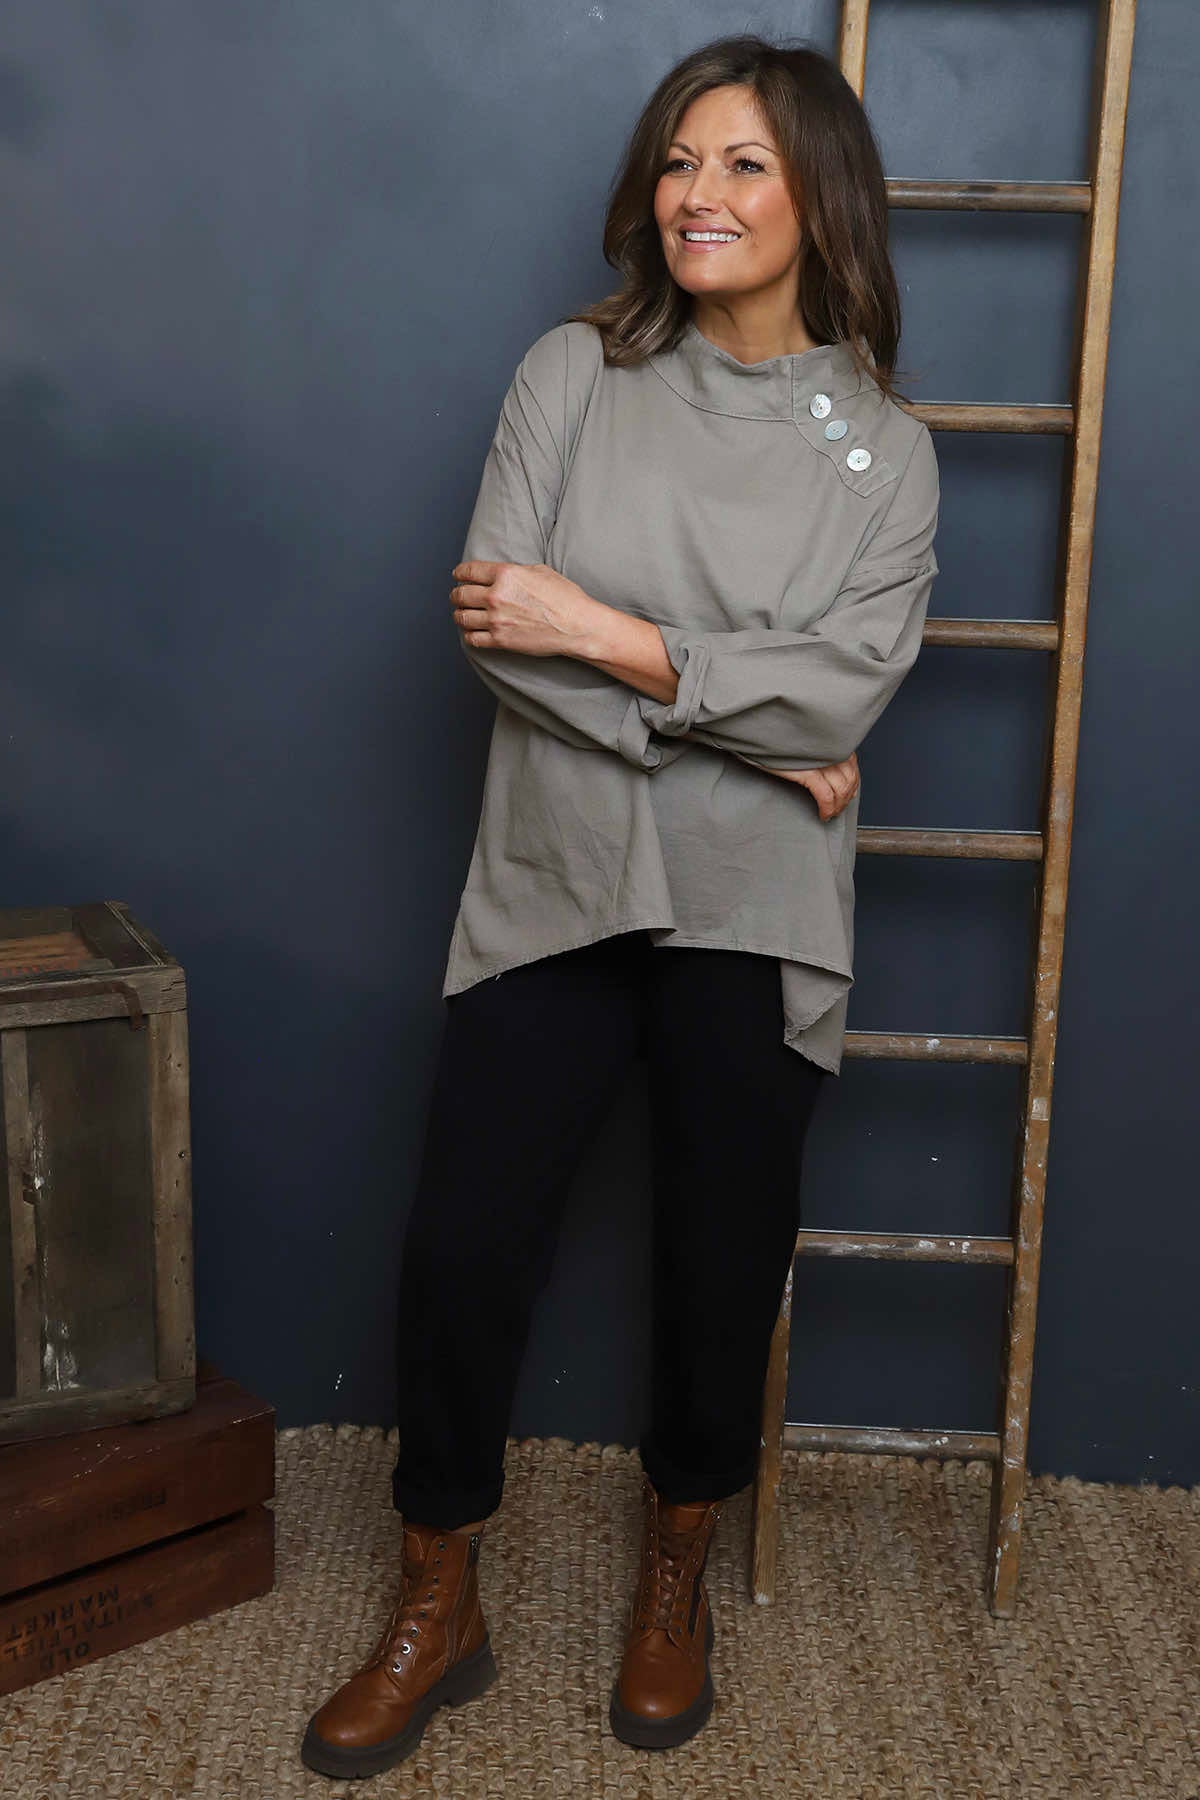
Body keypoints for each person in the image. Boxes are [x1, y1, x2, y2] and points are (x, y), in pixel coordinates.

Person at [302, 30, 940, 1781]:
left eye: (741, 163)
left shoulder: (885, 455)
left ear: (821, 198)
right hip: (556, 875)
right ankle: (439, 1596)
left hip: (757, 909)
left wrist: (607, 631)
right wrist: (743, 717)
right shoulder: (571, 374)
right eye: (677, 159)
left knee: (722, 1263)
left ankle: (676, 1579)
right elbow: (497, 632)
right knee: (462, 1249)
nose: (696, 195)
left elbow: (843, 693)